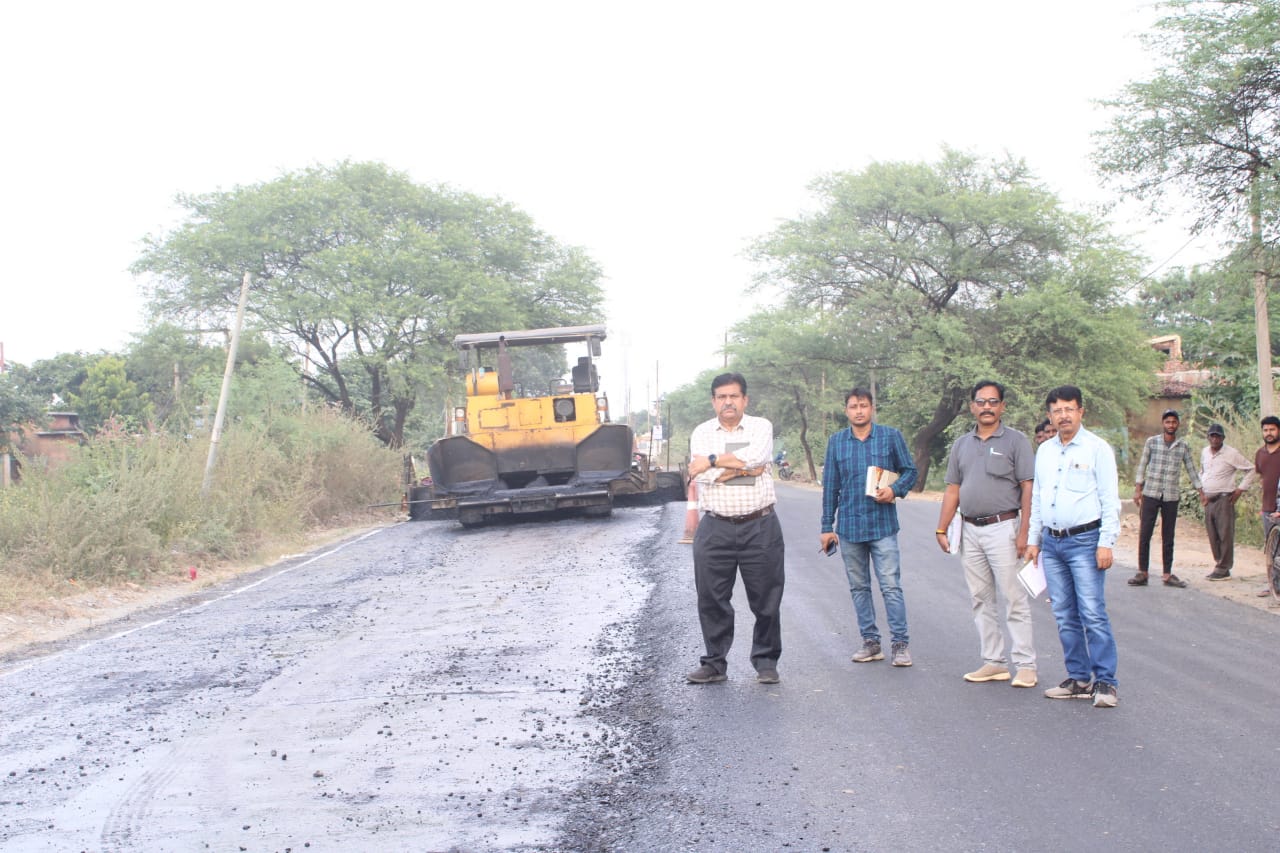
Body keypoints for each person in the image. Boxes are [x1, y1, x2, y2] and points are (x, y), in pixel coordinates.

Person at [934, 380, 1037, 687]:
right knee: (980, 598)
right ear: (972, 407)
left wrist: (1025, 533)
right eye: (981, 402)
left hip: (1004, 528)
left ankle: (1026, 665)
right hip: (969, 530)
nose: (987, 407)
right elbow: (953, 489)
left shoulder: (1016, 441)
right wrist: (942, 527)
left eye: (993, 402)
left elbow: (1028, 489)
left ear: (1002, 407)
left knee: (1014, 597)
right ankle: (994, 662)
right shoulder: (961, 444)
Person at [685, 372, 785, 685]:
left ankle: (766, 662)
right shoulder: (702, 432)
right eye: (722, 397)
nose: (728, 402)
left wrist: (714, 460)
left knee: (766, 599)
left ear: (745, 399)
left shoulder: (761, 426)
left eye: (734, 396)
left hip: (760, 525)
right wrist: (742, 468)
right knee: (711, 598)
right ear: (713, 401)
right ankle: (714, 664)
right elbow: (701, 474)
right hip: (715, 527)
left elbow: (758, 457)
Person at [1025, 385, 1121, 709]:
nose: (1063, 415)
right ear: (1049, 415)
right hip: (1052, 544)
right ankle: (1078, 678)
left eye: (1069, 409)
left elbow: (1109, 500)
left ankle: (1105, 682)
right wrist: (1034, 541)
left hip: (1085, 541)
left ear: (1081, 412)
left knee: (1092, 612)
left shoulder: (1097, 449)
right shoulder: (1045, 451)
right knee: (1064, 614)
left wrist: (1106, 543)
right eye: (1057, 410)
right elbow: (1039, 498)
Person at [819, 387, 919, 667]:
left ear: (872, 408)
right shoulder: (837, 442)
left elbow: (910, 471)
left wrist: (894, 490)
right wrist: (827, 525)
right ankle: (870, 642)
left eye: (863, 405)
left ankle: (900, 645)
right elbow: (831, 487)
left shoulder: (890, 436)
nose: (859, 411)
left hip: (882, 525)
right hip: (849, 526)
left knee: (891, 586)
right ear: (846, 411)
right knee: (859, 587)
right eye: (853, 406)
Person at [1129, 409, 1206, 589]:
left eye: (1173, 422)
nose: (1171, 425)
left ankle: (1167, 574)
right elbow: (1142, 465)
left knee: (1168, 536)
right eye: (1168, 422)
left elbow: (1191, 470)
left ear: (1178, 424)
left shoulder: (1183, 446)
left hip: (1171, 496)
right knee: (1145, 533)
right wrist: (1138, 489)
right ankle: (1143, 572)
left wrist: (1201, 492)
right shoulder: (1152, 442)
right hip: (1151, 493)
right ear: (1163, 424)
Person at [1199, 423, 1256, 580]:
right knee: (1213, 535)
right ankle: (1219, 564)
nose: (1215, 439)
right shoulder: (1205, 452)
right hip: (1208, 500)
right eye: (1212, 436)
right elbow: (1202, 471)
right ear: (1208, 437)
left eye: (1218, 436)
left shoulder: (1231, 453)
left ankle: (1223, 568)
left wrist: (1240, 490)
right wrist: (1201, 492)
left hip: (1224, 498)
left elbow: (1251, 469)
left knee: (1225, 534)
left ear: (1223, 438)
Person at [1255, 416, 1280, 597]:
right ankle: (1273, 584)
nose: (1269, 433)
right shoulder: (1260, 453)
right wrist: (1263, 506)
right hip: (1268, 507)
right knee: (1272, 548)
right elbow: (1261, 478)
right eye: (1265, 430)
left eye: (1272, 429)